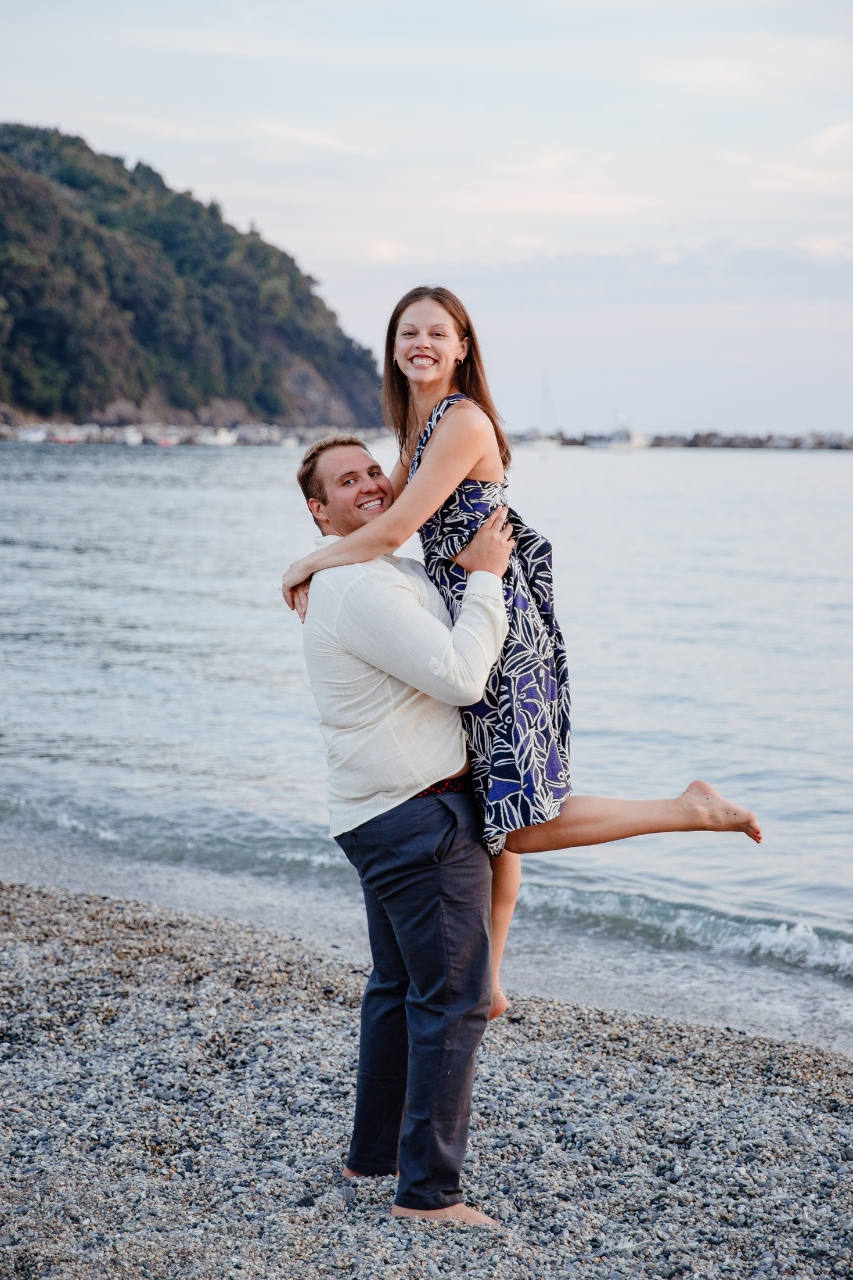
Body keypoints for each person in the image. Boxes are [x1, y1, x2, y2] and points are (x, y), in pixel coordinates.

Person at [283, 286, 762, 1019]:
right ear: (393, 347)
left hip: (500, 621)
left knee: (521, 818)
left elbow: (392, 531)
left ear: (462, 346)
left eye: (436, 333)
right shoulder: (419, 427)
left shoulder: (461, 420)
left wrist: (303, 565)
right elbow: (398, 535)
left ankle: (688, 809)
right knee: (490, 802)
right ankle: (492, 980)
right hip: (470, 606)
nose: (420, 344)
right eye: (407, 332)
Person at [296, 433, 515, 1222]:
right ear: (320, 512)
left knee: (397, 989)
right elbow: (460, 674)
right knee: (451, 999)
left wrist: (304, 564)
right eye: (344, 483)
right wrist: (487, 579)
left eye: (372, 472)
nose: (368, 486)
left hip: (382, 812)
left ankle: (372, 1160)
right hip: (414, 817)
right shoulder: (359, 585)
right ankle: (427, 1195)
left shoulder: (378, 572)